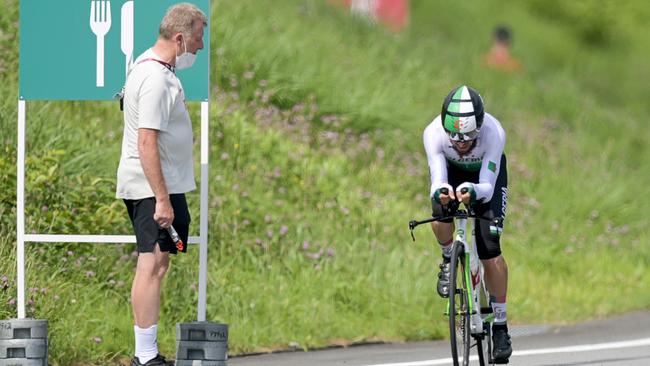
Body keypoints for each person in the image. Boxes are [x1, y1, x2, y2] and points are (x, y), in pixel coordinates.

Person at [115, 3, 207, 365]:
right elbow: (145, 141)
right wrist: (162, 200)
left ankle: (147, 351)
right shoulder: (153, 78)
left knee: (161, 262)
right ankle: (145, 356)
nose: (200, 46)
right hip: (152, 188)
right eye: (198, 37)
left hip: (164, 185)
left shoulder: (155, 68)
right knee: (150, 263)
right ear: (180, 37)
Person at [422, 85, 512, 362]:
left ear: (480, 127)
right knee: (439, 209)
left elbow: (487, 183)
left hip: (486, 181)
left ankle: (500, 326)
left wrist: (474, 192)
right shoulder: (433, 133)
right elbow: (438, 178)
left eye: (469, 137)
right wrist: (441, 192)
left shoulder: (494, 133)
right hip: (452, 174)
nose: (461, 143)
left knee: (489, 248)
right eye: (455, 137)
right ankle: (449, 256)